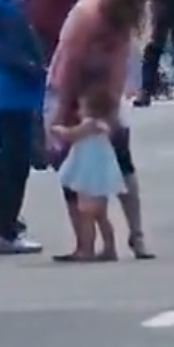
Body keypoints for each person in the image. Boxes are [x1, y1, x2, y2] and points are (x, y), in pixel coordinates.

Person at [50, 0, 152, 259]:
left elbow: (69, 59)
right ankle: (136, 235)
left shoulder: (90, 9)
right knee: (122, 165)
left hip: (83, 97)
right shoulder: (126, 14)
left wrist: (59, 107)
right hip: (108, 97)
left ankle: (85, 243)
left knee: (74, 169)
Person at [0, 0, 47, 255]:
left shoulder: (10, 11)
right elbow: (12, 55)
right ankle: (6, 231)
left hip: (12, 93)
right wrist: (39, 71)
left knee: (15, 162)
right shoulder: (11, 13)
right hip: (14, 94)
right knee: (15, 164)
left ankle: (6, 227)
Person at [53, 83, 127, 262]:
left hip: (89, 173)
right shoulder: (104, 125)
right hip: (99, 173)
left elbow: (72, 134)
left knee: (86, 213)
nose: (79, 111)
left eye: (82, 107)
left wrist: (59, 130)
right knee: (101, 214)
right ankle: (109, 247)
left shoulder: (90, 125)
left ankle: (87, 249)